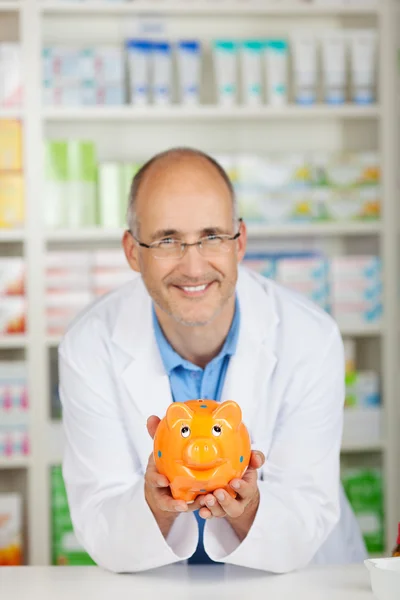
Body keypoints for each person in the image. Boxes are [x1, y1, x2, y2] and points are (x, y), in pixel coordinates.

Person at [58, 147, 367, 574]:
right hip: (157, 584)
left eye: (212, 237)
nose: (193, 265)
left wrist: (248, 509)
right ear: (133, 252)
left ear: (239, 242)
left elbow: (306, 509)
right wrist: (155, 506)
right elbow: (99, 519)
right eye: (168, 240)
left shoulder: (309, 339)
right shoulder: (89, 345)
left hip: (298, 580)